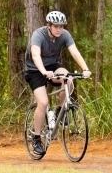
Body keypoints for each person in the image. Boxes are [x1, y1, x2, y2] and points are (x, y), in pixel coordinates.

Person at [24, 10, 91, 155]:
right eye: (56, 26)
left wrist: (85, 69)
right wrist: (43, 71)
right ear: (49, 25)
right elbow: (35, 55)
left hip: (52, 66)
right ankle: (36, 138)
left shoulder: (64, 35)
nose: (59, 29)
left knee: (69, 79)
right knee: (42, 102)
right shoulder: (38, 35)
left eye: (61, 26)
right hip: (35, 69)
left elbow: (75, 53)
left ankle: (60, 110)